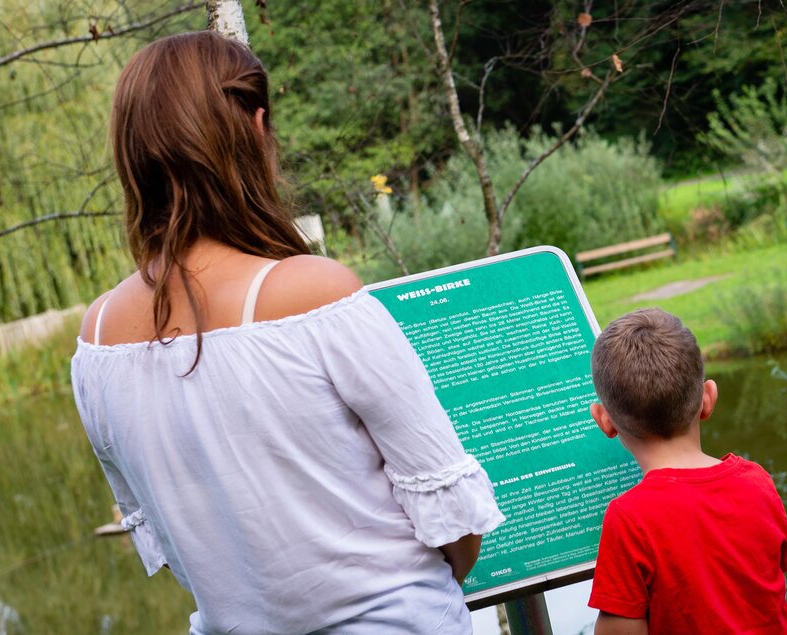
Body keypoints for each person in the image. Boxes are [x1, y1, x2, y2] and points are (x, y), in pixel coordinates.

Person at [71, 32, 504, 635]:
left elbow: (173, 542)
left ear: (131, 154)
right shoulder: (316, 293)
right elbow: (454, 525)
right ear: (255, 128)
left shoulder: (95, 338)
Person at [586, 309, 787, 635]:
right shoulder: (756, 480)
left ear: (604, 421)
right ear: (708, 399)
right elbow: (775, 573)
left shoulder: (629, 519)